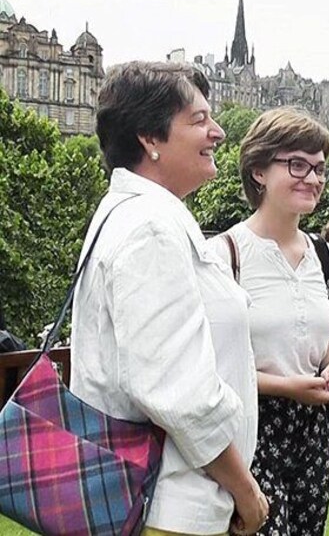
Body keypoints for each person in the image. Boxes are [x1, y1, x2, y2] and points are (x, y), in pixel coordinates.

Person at [69, 61, 268, 536]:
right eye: (199, 120)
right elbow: (178, 390)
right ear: (149, 138)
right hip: (170, 508)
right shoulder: (150, 229)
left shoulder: (142, 216)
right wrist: (245, 491)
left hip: (165, 503)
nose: (218, 132)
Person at [210, 107, 329, 536]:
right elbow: (211, 370)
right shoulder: (225, 256)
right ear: (259, 170)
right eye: (297, 164)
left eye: (319, 168)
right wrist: (286, 386)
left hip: (314, 430)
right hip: (251, 429)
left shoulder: (326, 258)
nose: (312, 178)